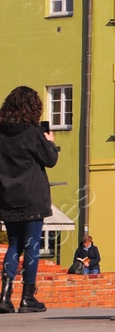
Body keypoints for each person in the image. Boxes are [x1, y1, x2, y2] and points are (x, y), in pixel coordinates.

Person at [0, 86, 60, 314]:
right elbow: (50, 159)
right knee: (32, 245)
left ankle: (4, 296)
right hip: (32, 197)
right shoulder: (32, 132)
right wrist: (50, 142)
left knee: (14, 244)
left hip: (7, 197)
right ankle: (27, 297)